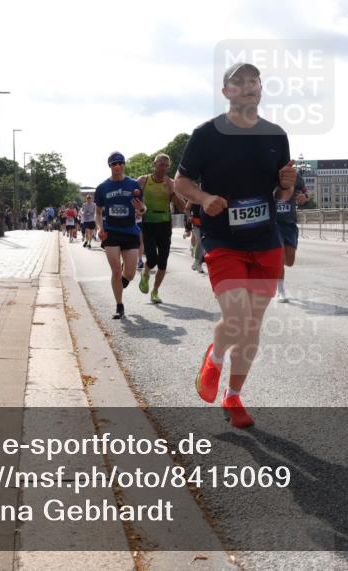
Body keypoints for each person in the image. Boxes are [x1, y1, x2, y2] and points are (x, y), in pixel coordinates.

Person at [175, 61, 296, 428]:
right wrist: (204, 196)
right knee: (236, 317)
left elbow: (279, 193)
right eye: (238, 82)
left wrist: (287, 184)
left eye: (253, 81)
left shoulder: (276, 136)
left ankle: (233, 394)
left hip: (265, 241)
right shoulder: (206, 135)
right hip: (222, 239)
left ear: (260, 89)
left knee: (252, 325)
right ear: (226, 91)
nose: (247, 87)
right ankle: (214, 359)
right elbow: (182, 183)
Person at [96, 152, 146, 319]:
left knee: (130, 273)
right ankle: (119, 305)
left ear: (123, 164)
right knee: (116, 270)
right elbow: (98, 213)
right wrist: (99, 228)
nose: (117, 166)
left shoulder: (133, 185)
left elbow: (143, 209)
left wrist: (140, 208)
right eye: (113, 164)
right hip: (111, 233)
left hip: (130, 232)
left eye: (119, 163)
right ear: (109, 166)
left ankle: (122, 282)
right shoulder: (102, 188)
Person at [137, 154, 186, 304]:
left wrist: (171, 192)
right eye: (160, 164)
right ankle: (145, 274)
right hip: (148, 222)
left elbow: (183, 206)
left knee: (163, 261)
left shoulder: (171, 183)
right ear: (154, 164)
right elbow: (131, 197)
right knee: (152, 258)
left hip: (164, 224)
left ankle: (155, 291)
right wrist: (138, 208)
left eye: (166, 165)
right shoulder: (143, 180)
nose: (163, 168)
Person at [275, 170, 307, 302]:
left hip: (289, 223)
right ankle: (280, 290)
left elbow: (304, 193)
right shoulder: (268, 172)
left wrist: (304, 198)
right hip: (273, 223)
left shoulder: (296, 176)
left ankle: (274, 273)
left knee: (289, 261)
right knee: (280, 256)